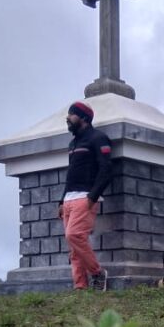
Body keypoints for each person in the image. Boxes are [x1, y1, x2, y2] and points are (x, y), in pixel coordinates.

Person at [58, 101, 113, 290]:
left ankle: (98, 273)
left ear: (83, 117)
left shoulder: (98, 138)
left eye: (71, 114)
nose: (67, 117)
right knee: (74, 248)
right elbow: (71, 174)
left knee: (74, 235)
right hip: (68, 200)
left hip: (84, 197)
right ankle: (80, 286)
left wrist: (93, 196)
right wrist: (61, 200)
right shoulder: (73, 144)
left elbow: (106, 169)